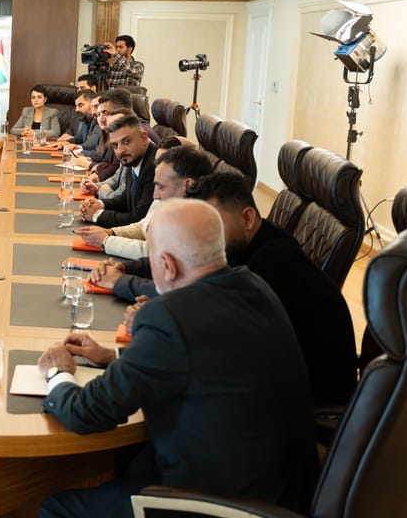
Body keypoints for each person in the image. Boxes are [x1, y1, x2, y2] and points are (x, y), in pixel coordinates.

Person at [37, 199, 316, 518]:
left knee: (56, 507)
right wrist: (113, 359)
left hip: (225, 504)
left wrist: (58, 373)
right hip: (282, 488)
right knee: (129, 462)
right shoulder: (253, 285)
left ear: (167, 265)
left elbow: (87, 412)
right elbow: (202, 362)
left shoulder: (169, 317)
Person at [189, 173, 357, 405]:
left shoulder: (271, 263)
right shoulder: (255, 244)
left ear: (247, 218)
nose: (203, 238)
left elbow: (224, 339)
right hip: (281, 382)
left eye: (212, 225)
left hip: (308, 404)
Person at [75, 145, 213, 260]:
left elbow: (154, 252)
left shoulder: (196, 219)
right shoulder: (171, 198)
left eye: (161, 187)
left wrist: (106, 241)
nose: (155, 195)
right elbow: (143, 226)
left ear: (188, 185)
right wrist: (110, 232)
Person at [79, 113, 157, 228]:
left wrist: (97, 215)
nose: (120, 150)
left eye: (126, 141)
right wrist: (100, 204)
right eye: (115, 145)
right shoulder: (134, 158)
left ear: (144, 138)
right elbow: (127, 198)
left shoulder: (155, 166)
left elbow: (139, 218)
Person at [9, 84, 74, 140]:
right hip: (27, 143)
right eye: (33, 97)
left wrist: (35, 133)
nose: (36, 100)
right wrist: (23, 131)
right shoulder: (26, 111)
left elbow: (56, 132)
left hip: (43, 144)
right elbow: (13, 129)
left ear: (45, 99)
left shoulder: (52, 113)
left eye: (39, 97)